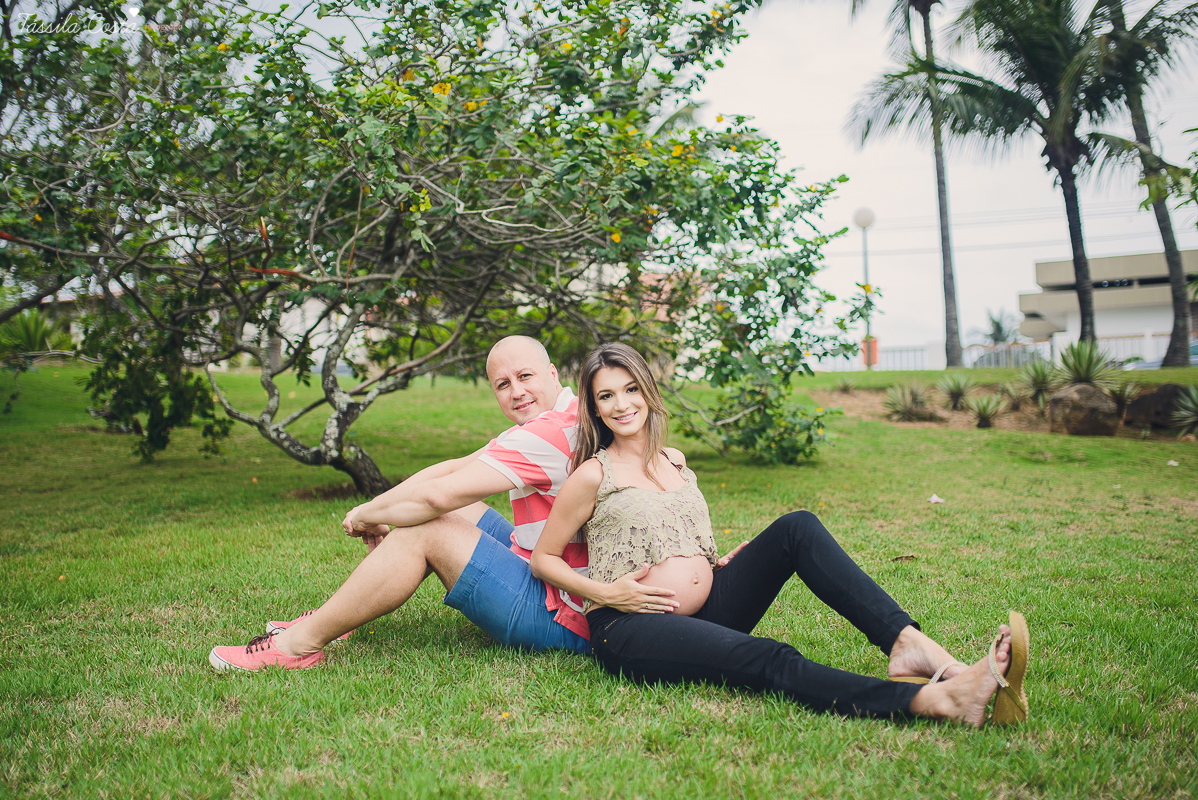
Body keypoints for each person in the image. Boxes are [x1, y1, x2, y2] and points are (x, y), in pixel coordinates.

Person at [530, 343, 1030, 726]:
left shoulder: (675, 461)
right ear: (594, 409)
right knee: (768, 657)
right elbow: (544, 559)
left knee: (798, 528)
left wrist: (713, 563)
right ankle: (936, 699)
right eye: (606, 396)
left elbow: (673, 533)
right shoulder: (593, 475)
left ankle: (912, 645)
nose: (622, 404)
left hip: (709, 608)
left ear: (648, 390)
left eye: (630, 388)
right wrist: (605, 592)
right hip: (631, 627)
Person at [210, 335, 600, 670]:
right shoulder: (562, 418)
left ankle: (297, 647)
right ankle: (341, 615)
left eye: (525, 376)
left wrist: (367, 514)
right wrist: (378, 505)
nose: (516, 391)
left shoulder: (551, 433)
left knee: (429, 527)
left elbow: (436, 495)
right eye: (502, 384)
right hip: (560, 583)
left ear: (552, 373)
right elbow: (454, 469)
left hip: (568, 616)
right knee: (452, 509)